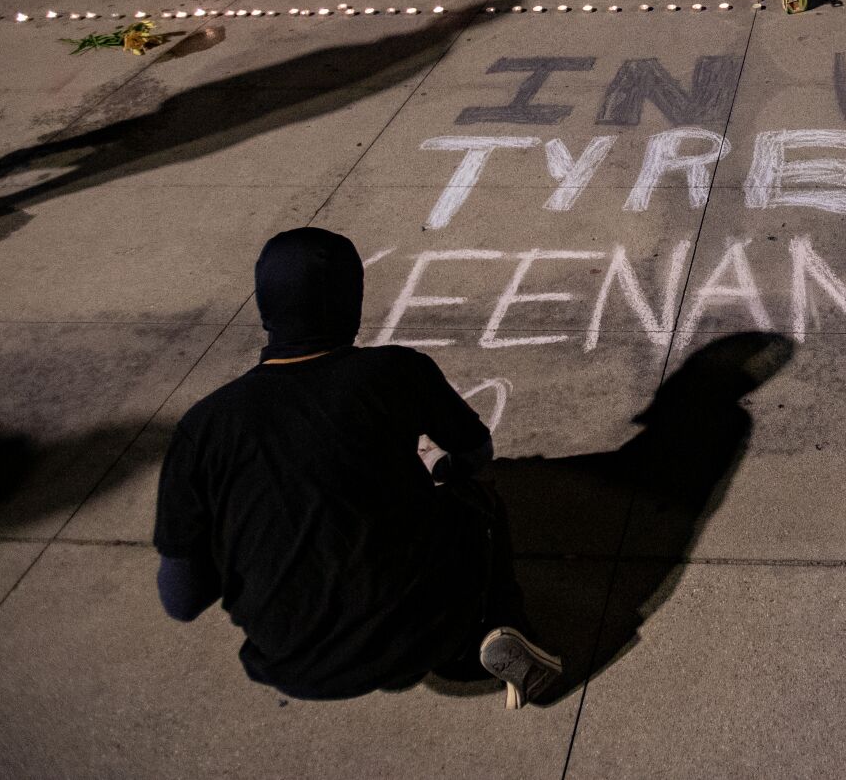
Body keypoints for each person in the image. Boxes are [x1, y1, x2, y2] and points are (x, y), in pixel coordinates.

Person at [153, 227, 560, 701]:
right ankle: (499, 626)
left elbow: (181, 599)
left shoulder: (205, 427)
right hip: (418, 630)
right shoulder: (396, 372)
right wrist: (437, 472)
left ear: (265, 309)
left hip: (293, 662)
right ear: (354, 302)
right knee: (479, 500)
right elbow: (476, 454)